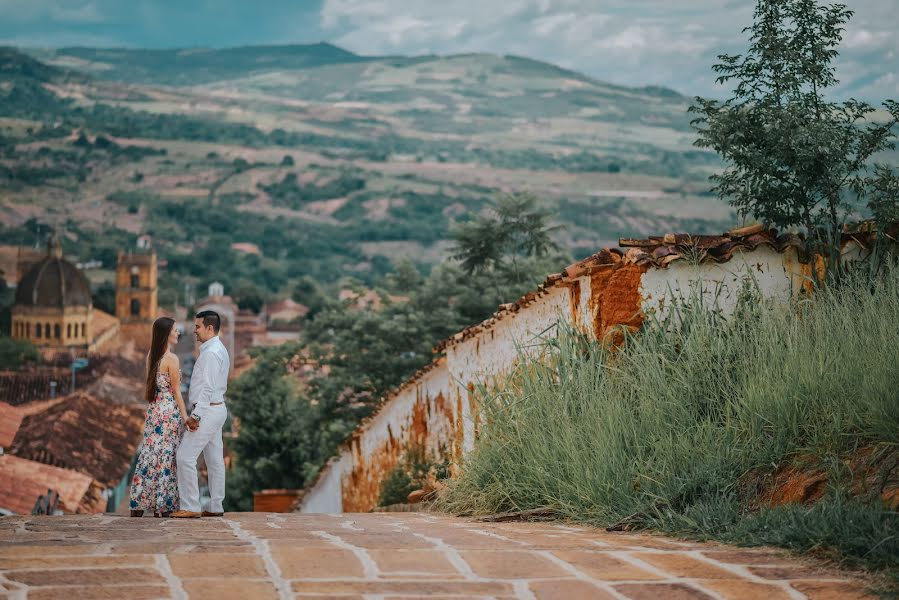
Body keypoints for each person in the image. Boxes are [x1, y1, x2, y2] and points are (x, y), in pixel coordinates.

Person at [129, 317, 194, 517]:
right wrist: (186, 418)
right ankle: (163, 505)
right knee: (166, 457)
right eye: (175, 331)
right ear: (167, 334)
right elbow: (176, 393)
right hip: (168, 412)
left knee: (150, 455)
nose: (178, 334)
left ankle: (139, 503)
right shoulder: (172, 360)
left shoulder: (152, 356)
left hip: (154, 410)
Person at [171, 310, 230, 518]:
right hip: (216, 408)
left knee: (185, 456)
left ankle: (190, 506)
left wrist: (196, 416)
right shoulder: (216, 349)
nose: (194, 330)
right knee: (214, 461)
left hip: (208, 411)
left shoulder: (211, 354)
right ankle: (216, 506)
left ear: (210, 328)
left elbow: (206, 388)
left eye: (197, 327)